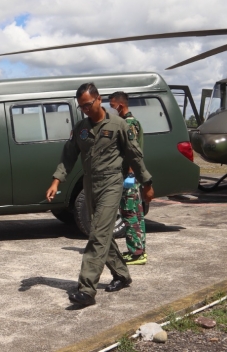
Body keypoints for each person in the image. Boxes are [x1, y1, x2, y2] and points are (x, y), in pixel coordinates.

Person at [45, 83, 153, 307]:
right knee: (100, 232)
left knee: (98, 235)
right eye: (81, 107)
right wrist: (56, 181)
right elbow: (69, 155)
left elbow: (134, 154)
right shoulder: (81, 128)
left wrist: (146, 183)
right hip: (89, 184)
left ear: (98, 99)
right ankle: (122, 274)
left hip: (112, 182)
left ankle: (86, 289)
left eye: (87, 104)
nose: (85, 109)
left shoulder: (119, 125)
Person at [109, 91, 150, 266]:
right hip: (129, 175)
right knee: (135, 214)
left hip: (129, 175)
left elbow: (133, 151)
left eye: (112, 104)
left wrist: (131, 175)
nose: (111, 107)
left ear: (120, 104)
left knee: (130, 213)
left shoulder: (128, 123)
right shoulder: (130, 122)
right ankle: (138, 251)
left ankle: (136, 254)